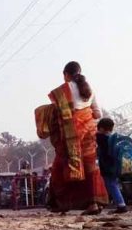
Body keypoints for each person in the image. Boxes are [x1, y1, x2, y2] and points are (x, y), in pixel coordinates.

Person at [36, 61, 108, 215]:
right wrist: (85, 115)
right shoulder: (89, 90)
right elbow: (98, 114)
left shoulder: (62, 91)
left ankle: (60, 204)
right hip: (88, 133)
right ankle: (94, 203)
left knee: (60, 167)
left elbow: (56, 112)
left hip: (69, 136)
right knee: (90, 168)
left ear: (66, 75)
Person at [96, 118, 128, 214]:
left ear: (101, 129)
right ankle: (104, 204)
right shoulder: (114, 138)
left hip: (107, 167)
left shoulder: (102, 138)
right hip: (115, 166)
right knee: (111, 185)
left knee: (111, 185)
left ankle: (121, 205)